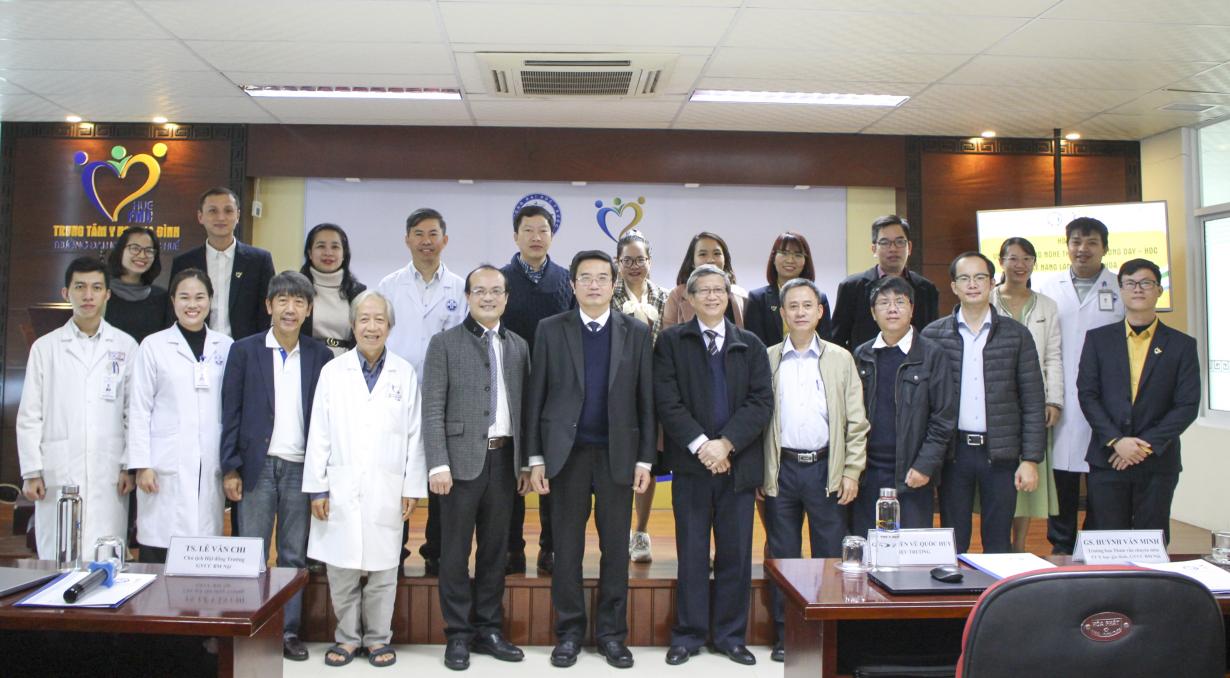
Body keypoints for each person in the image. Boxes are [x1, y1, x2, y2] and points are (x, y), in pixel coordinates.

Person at [525, 251, 655, 669]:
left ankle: (612, 635)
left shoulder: (636, 331)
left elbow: (646, 401)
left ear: (613, 283)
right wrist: (535, 457)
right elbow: (536, 396)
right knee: (567, 548)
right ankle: (568, 633)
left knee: (615, 549)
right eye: (586, 277)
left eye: (602, 277)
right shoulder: (550, 329)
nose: (594, 285)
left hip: (618, 456)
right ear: (573, 284)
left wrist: (645, 460)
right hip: (567, 456)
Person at [655, 264, 773, 666]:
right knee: (691, 553)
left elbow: (760, 402)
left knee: (735, 555)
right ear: (688, 298)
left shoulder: (750, 344)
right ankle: (688, 635)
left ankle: (729, 636)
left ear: (728, 296)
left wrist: (726, 445)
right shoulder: (671, 342)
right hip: (691, 468)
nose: (711, 296)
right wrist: (703, 446)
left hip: (737, 466)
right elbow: (667, 400)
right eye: (702, 290)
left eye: (718, 290)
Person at [303, 291, 427, 669]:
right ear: (353, 325)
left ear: (389, 326)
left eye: (379, 320)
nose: (372, 327)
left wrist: (411, 486)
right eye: (364, 319)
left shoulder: (404, 373)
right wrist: (318, 487)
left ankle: (377, 639)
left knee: (383, 569)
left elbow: (415, 435)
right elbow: (319, 432)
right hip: (339, 484)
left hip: (388, 485)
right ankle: (346, 637)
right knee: (341, 568)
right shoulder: (333, 372)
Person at [219, 271, 333, 661]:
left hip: (301, 468)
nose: (290, 308)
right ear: (269, 305)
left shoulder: (320, 356)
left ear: (309, 309)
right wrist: (230, 467)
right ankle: (249, 626)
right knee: (250, 552)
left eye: (299, 301)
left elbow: (326, 420)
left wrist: (323, 475)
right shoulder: (244, 350)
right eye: (282, 300)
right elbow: (230, 412)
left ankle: (287, 631)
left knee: (293, 555)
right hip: (256, 467)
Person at [422, 265, 529, 672]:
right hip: (457, 465)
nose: (488, 297)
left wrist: (524, 463)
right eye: (479, 291)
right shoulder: (444, 343)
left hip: (504, 463)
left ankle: (488, 629)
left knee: (495, 552)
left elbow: (524, 410)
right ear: (467, 297)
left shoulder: (518, 346)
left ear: (506, 298)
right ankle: (457, 634)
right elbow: (433, 408)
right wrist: (438, 463)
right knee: (453, 553)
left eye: (496, 291)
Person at [762, 278, 868, 663]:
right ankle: (786, 633)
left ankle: (830, 634)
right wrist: (762, 472)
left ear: (820, 312)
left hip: (826, 469)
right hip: (782, 470)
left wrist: (851, 471)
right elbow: (758, 418)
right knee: (784, 557)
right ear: (783, 313)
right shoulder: (768, 358)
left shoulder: (841, 358)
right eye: (793, 306)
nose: (800, 312)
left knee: (829, 557)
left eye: (808, 305)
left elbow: (856, 422)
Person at [922, 253, 1045, 554]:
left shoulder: (1017, 335)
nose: (973, 284)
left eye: (980, 277)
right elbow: (924, 405)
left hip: (1001, 452)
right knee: (953, 541)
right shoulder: (933, 335)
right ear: (954, 286)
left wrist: (1030, 459)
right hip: (953, 453)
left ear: (992, 283)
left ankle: (996, 587)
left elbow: (1032, 401)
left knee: (998, 541)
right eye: (964, 278)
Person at [17, 256, 137, 560]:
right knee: (57, 556)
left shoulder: (125, 346)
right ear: (65, 293)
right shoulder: (45, 348)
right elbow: (30, 414)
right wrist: (31, 471)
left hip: (109, 471)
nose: (88, 295)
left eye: (96, 288)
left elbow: (132, 413)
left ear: (107, 294)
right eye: (80, 287)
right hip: (58, 469)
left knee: (105, 558)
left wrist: (128, 465)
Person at [1077, 259, 1199, 544]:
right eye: (1130, 283)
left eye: (1146, 283)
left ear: (1159, 290)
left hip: (1157, 460)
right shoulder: (1098, 339)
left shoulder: (1182, 345)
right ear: (1120, 290)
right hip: (1108, 457)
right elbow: (1088, 394)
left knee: (1152, 540)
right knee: (1106, 540)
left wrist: (1143, 446)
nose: (1138, 289)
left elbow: (1187, 405)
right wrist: (1117, 441)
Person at [377, 208, 466, 576]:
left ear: (445, 240)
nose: (426, 241)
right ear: (407, 239)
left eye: (433, 234)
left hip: (446, 397)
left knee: (441, 474)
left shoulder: (460, 288)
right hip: (397, 395)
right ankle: (392, 550)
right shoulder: (388, 286)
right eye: (418, 234)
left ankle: (436, 552)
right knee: (394, 474)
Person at [127, 268, 232, 563]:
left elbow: (231, 408)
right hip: (163, 464)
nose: (192, 305)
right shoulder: (153, 346)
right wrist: (142, 464)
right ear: (173, 300)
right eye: (184, 297)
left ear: (210, 300)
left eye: (200, 297)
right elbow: (139, 408)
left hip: (209, 460)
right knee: (160, 550)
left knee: (202, 555)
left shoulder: (226, 346)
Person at [1035, 217, 1125, 554]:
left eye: (1091, 242)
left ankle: (1094, 544)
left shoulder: (1120, 287)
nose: (1082, 249)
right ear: (1067, 245)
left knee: (1101, 475)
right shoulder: (1048, 287)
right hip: (1059, 394)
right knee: (1062, 475)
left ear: (1105, 248)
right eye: (1076, 241)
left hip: (1106, 399)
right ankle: (1061, 545)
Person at [500, 204, 575, 575]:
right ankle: (511, 548)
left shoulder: (566, 280)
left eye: (542, 230)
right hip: (508, 386)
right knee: (508, 469)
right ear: (515, 236)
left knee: (553, 469)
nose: (535, 237)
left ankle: (551, 548)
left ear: (552, 235)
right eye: (528, 230)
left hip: (554, 389)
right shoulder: (500, 280)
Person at [852, 276, 955, 538]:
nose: (892, 309)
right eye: (883, 303)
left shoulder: (931, 355)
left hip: (912, 475)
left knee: (910, 552)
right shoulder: (861, 355)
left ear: (912, 309)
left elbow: (943, 418)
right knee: (869, 549)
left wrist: (925, 465)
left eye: (899, 302)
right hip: (867, 474)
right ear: (873, 312)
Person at [991, 237, 1063, 552]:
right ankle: (999, 543)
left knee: (1029, 476)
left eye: (1026, 259)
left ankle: (1019, 546)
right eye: (1013, 258)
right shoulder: (988, 299)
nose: (1020, 265)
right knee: (1000, 478)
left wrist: (1054, 400)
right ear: (1001, 262)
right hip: (996, 403)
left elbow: (1053, 356)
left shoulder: (1047, 305)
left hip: (1034, 401)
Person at [610, 230, 668, 564]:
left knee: (649, 461)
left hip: (653, 392)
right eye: (627, 260)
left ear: (650, 261)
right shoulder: (607, 295)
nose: (635, 266)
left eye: (640, 259)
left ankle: (641, 531)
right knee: (619, 463)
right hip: (617, 392)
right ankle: (617, 532)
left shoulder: (664, 297)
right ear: (617, 262)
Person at [170, 187, 275, 340]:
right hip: (196, 346)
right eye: (213, 211)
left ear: (237, 215)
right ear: (200, 216)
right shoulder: (184, 262)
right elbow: (174, 311)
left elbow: (267, 311)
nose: (221, 217)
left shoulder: (259, 260)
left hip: (244, 347)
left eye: (228, 211)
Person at [832, 215, 939, 352]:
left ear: (910, 247)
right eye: (884, 242)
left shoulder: (926, 289)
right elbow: (837, 341)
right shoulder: (851, 287)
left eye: (899, 242)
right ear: (874, 249)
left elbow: (931, 338)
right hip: (865, 363)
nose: (893, 248)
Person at [744, 232, 832, 345]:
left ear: (805, 261)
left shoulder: (820, 298)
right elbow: (754, 345)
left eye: (798, 255)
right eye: (784, 253)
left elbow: (826, 342)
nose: (790, 260)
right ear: (773, 258)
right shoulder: (758, 299)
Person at [301, 223, 366, 357]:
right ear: (310, 253)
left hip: (345, 363)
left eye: (335, 247)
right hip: (305, 360)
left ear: (344, 254)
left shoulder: (358, 293)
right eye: (321, 246)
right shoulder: (297, 288)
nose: (328, 253)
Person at [661, 231, 746, 329]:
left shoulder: (740, 295)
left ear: (725, 259)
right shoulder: (677, 296)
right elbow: (668, 335)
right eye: (703, 254)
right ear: (692, 261)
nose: (710, 260)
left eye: (717, 253)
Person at [105, 226, 169, 345]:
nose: (142, 255)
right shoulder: (102, 295)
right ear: (120, 251)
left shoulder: (163, 298)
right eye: (135, 248)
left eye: (149, 250)